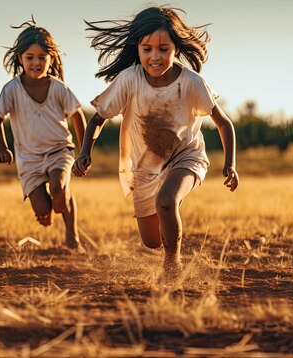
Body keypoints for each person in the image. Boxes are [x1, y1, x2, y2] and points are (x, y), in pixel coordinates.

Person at [72, 6, 239, 276]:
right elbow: (98, 119)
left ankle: (172, 265)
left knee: (165, 201)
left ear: (176, 48)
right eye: (147, 49)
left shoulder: (192, 82)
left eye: (163, 48)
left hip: (187, 157)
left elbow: (224, 123)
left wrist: (230, 164)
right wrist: (84, 152)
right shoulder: (128, 80)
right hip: (145, 167)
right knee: (151, 241)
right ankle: (169, 215)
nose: (155, 57)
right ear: (137, 49)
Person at [0, 19, 86, 251]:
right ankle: (49, 207)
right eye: (30, 57)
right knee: (43, 211)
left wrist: (83, 153)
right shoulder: (11, 89)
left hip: (59, 151)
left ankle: (72, 237)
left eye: (42, 57)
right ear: (20, 58)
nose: (36, 62)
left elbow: (77, 116)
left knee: (57, 189)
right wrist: (2, 148)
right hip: (28, 159)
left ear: (51, 59)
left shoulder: (58, 87)